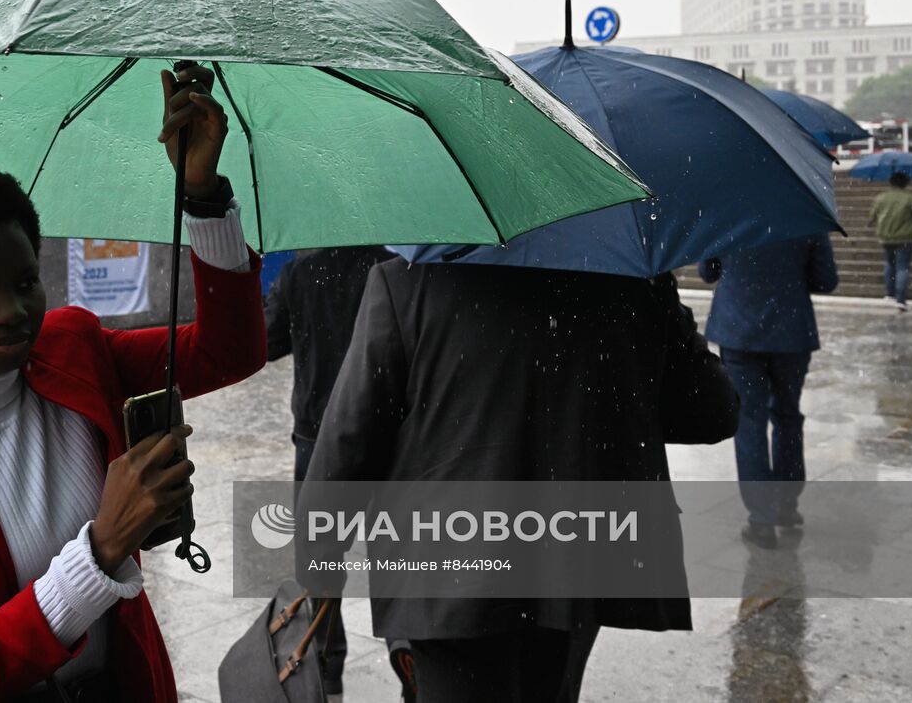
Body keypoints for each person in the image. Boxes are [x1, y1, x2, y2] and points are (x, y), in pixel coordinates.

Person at [0, 65, 266, 703]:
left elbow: (228, 352)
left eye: (24, 282)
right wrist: (102, 547)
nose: (11, 312)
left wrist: (200, 193)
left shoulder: (75, 348)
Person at [303, 261, 737, 703]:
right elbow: (713, 411)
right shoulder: (628, 279)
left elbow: (350, 436)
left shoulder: (408, 281)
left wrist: (320, 557)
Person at [264, 245, 392, 699]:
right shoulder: (391, 269)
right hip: (386, 438)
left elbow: (265, 341)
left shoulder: (300, 273)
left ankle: (327, 661)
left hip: (318, 439)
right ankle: (406, 650)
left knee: (321, 558)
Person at [700, 236, 839, 549]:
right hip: (790, 331)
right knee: (788, 416)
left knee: (749, 421)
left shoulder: (729, 212)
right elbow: (826, 280)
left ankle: (761, 518)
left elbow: (707, 272)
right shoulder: (805, 215)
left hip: (739, 331)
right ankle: (787, 505)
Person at [869, 170, 912, 311]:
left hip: (885, 237)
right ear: (906, 183)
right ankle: (901, 299)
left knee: (889, 264)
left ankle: (889, 293)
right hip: (905, 238)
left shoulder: (881, 198)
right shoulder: (911, 199)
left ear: (890, 182)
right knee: (902, 267)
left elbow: (872, 217)